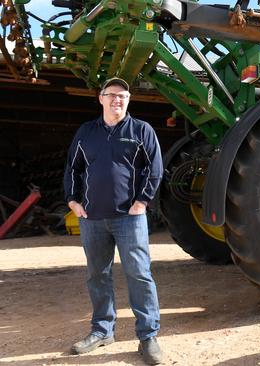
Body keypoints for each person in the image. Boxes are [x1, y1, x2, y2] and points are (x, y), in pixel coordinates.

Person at [63, 77, 164, 365]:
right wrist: (73, 201)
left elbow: (155, 169)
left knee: (139, 275)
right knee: (97, 275)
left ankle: (148, 337)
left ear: (128, 100)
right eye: (111, 95)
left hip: (129, 219)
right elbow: (73, 168)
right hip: (92, 218)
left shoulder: (141, 130)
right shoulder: (86, 133)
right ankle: (102, 330)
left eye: (122, 96)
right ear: (101, 98)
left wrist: (142, 201)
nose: (117, 100)